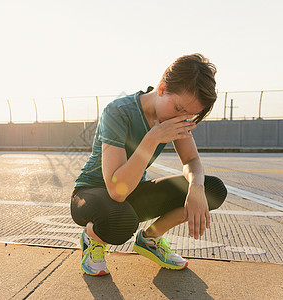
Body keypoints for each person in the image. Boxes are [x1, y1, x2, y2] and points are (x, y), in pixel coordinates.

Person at [70, 53, 228, 276]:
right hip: (91, 193)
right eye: (178, 108)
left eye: (189, 115)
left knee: (213, 189)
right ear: (162, 89)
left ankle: (150, 238)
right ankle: (91, 238)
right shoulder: (118, 112)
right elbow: (116, 190)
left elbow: (192, 161)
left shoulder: (176, 119)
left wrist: (196, 187)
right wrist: (152, 138)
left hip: (132, 191)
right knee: (121, 223)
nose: (181, 118)